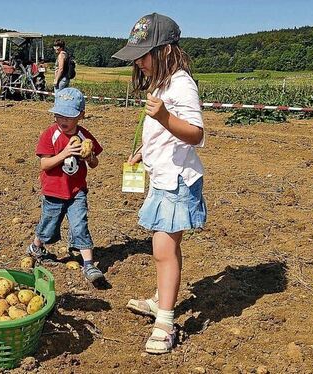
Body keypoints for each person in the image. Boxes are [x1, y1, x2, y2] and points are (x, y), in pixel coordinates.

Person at [113, 13, 206, 355]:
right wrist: (142, 151)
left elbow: (196, 134)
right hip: (162, 176)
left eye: (143, 53)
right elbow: (162, 133)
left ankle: (165, 321)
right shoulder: (161, 81)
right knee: (164, 250)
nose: (138, 61)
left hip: (177, 181)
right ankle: (160, 299)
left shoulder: (181, 83)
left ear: (165, 51)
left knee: (164, 251)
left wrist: (165, 116)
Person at [28, 87, 104, 283]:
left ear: (81, 115)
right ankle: (36, 246)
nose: (63, 120)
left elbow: (94, 164)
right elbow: (44, 164)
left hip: (76, 191)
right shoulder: (49, 135)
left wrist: (89, 157)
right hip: (53, 191)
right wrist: (65, 154)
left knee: (80, 225)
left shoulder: (85, 137)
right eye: (59, 115)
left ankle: (88, 264)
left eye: (68, 116)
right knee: (48, 224)